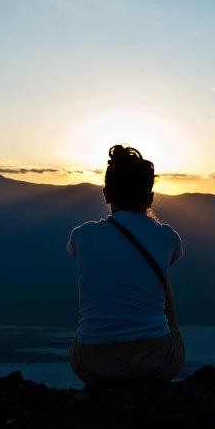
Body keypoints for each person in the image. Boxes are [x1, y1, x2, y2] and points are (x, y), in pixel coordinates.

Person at [66, 144, 186, 387]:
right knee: (161, 275)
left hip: (92, 362)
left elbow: (74, 252)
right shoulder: (167, 237)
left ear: (105, 194)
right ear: (151, 198)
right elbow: (173, 258)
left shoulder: (82, 235)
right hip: (156, 361)